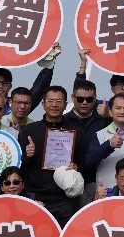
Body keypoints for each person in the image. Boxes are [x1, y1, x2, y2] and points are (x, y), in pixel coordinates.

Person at [16, 86, 85, 226]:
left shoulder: (76, 131)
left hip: (66, 199)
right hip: (37, 196)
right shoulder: (30, 130)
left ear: (65, 105)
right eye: (50, 101)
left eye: (59, 101)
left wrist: (76, 168)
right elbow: (20, 168)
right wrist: (27, 155)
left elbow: (84, 163)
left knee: (67, 236)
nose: (54, 105)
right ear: (43, 104)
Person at [86, 93, 124, 193]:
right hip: (107, 193)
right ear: (110, 112)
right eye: (118, 108)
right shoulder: (99, 135)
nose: (122, 112)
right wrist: (109, 144)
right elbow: (89, 162)